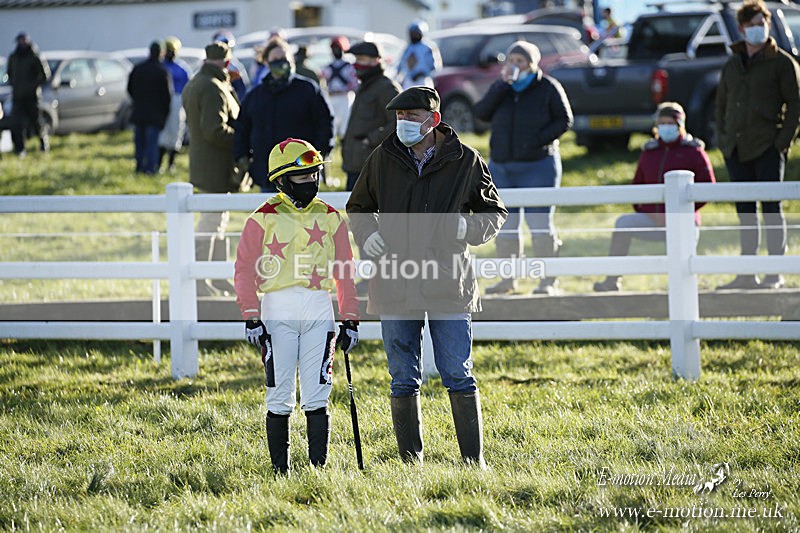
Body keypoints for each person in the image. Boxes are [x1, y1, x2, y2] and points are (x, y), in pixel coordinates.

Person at [346, 87, 507, 467]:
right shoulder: (382, 157)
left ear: (433, 120)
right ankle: (410, 463)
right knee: (402, 376)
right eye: (399, 117)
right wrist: (368, 236)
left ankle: (473, 462)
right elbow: (359, 206)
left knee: (458, 373)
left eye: (411, 117)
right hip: (395, 281)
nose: (403, 124)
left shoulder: (465, 160)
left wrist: (465, 229)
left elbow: (494, 212)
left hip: (448, 281)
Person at [234, 137, 360, 474]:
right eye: (302, 178)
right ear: (281, 180)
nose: (311, 183)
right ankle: (280, 472)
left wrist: (350, 318)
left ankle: (317, 470)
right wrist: (250, 315)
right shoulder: (261, 219)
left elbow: (345, 271)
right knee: (279, 394)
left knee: (318, 393)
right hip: (277, 311)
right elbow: (244, 270)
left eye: (315, 175)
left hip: (320, 309)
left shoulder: (333, 217)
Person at [473, 41, 573, 296]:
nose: (515, 65)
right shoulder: (502, 88)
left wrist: (537, 140)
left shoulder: (548, 87)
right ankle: (508, 280)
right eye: (511, 60)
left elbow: (565, 120)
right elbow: (481, 114)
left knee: (539, 223)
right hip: (502, 166)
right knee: (505, 224)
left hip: (539, 164)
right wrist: (500, 85)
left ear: (532, 63)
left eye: (520, 61)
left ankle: (547, 281)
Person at [715, 0, 800, 291]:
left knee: (771, 209)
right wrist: (723, 140)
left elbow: (795, 105)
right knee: (745, 212)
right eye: (751, 25)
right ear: (741, 28)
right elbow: (721, 105)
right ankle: (746, 272)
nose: (757, 29)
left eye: (761, 23)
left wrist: (781, 142)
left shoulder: (782, 63)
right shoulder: (732, 64)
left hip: (767, 146)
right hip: (736, 148)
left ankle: (774, 272)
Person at [594, 102, 716, 292]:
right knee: (623, 223)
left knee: (683, 263)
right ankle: (612, 280)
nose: (665, 127)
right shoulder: (649, 152)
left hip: (684, 221)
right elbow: (637, 187)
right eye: (661, 123)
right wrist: (647, 211)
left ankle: (685, 290)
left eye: (670, 123)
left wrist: (679, 214)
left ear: (680, 124)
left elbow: (707, 188)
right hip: (652, 220)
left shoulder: (694, 151)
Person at [234, 37, 334, 193]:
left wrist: (317, 155)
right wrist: (243, 159)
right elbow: (242, 129)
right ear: (266, 62)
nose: (280, 62)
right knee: (270, 217)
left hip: (303, 174)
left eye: (284, 59)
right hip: (267, 175)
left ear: (292, 60)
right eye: (275, 59)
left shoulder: (307, 89)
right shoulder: (255, 96)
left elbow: (325, 123)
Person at [181, 41, 242, 296]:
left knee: (219, 221)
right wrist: (242, 139)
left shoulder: (196, 82)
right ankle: (200, 280)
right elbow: (214, 130)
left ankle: (216, 278)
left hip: (203, 163)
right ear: (227, 63)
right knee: (211, 223)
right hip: (215, 165)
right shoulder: (213, 87)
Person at [341, 40, 401, 191]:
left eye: (361, 59)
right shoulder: (365, 86)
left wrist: (370, 140)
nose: (356, 64)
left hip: (371, 165)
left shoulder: (386, 88)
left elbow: (399, 123)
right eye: (356, 59)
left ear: (376, 60)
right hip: (355, 164)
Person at [127, 40, 172, 175]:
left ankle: (139, 166)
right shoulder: (162, 71)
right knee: (152, 144)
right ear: (161, 53)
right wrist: (164, 113)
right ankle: (150, 169)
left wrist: (137, 101)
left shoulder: (138, 68)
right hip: (155, 114)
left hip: (139, 111)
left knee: (139, 142)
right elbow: (166, 96)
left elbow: (130, 88)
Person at [7, 31, 50, 157]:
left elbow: (45, 76)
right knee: (16, 123)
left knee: (37, 122)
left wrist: (32, 86)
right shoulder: (14, 57)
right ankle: (20, 149)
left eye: (23, 41)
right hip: (18, 96)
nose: (21, 43)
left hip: (32, 97)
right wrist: (15, 85)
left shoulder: (35, 56)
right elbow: (9, 74)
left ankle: (43, 143)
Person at [158, 36, 191, 173]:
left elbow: (188, 86)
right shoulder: (161, 66)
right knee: (163, 132)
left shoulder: (182, 68)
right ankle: (159, 163)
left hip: (178, 100)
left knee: (176, 130)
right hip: (163, 100)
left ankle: (171, 164)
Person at [322, 36, 358, 141]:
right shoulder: (327, 67)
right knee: (331, 126)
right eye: (334, 48)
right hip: (332, 97)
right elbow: (323, 83)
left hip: (345, 98)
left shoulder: (350, 67)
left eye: (338, 48)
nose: (336, 51)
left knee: (345, 127)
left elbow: (355, 84)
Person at [396, 21, 441, 90]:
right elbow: (401, 65)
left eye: (415, 33)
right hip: (409, 82)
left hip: (423, 81)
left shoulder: (428, 48)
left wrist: (422, 74)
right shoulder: (408, 48)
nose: (413, 35)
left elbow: (435, 67)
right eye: (412, 33)